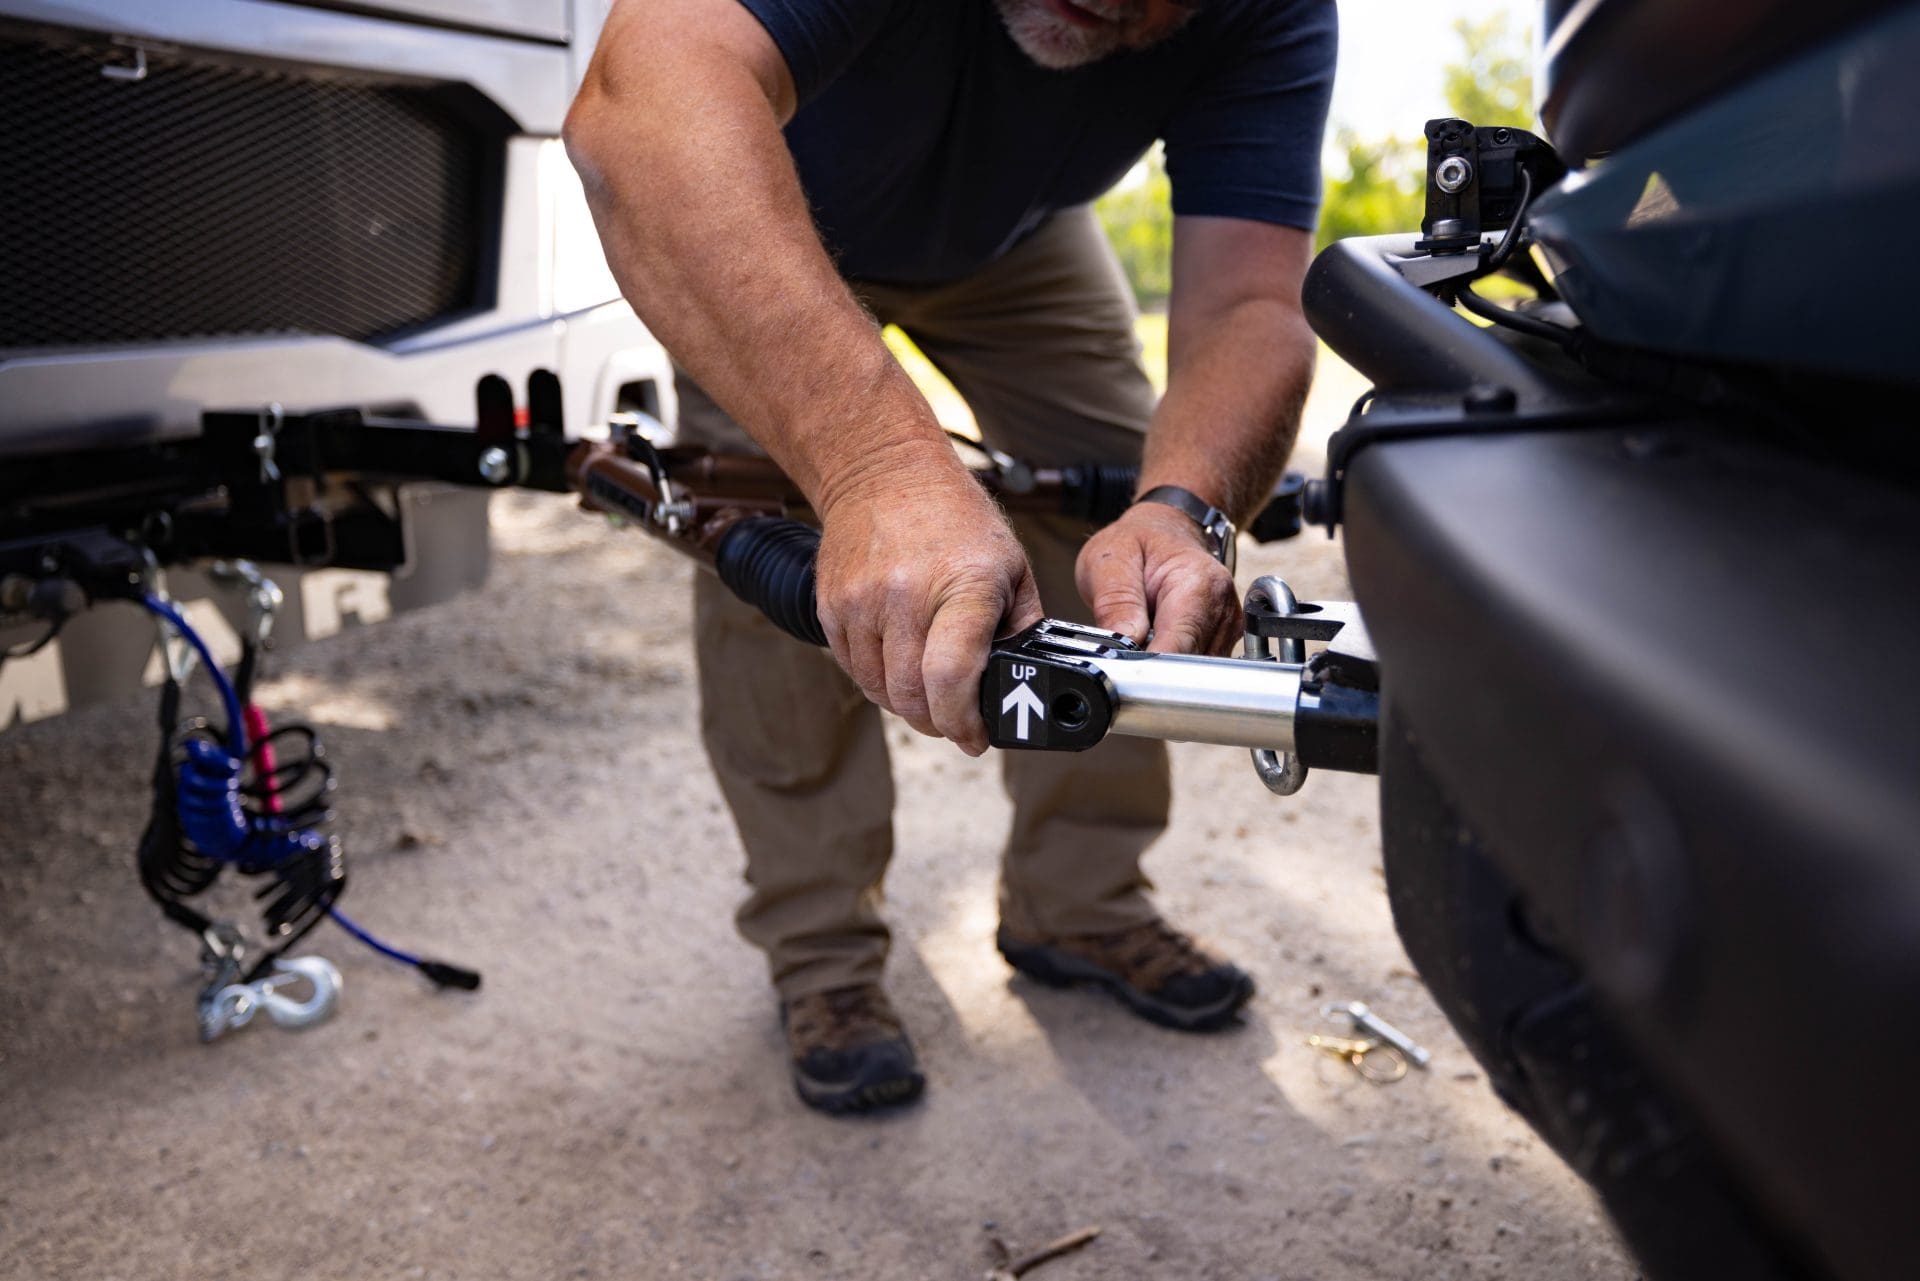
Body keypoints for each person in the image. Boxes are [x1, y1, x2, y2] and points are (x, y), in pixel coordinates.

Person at [565, 0, 1335, 1114]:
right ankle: (821, 954)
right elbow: (646, 96)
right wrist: (876, 468)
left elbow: (1253, 300)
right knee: (767, 539)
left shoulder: (1276, 16)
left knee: (1119, 492)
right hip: (758, 210)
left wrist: (1187, 507)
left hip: (1017, 242)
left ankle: (1081, 902)